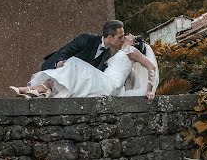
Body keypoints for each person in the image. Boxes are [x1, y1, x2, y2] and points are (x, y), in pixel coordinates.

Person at [9, 34, 158, 102]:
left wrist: (149, 90)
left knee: (74, 63)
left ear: (134, 43)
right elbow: (129, 75)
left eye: (131, 35)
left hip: (110, 85)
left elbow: (151, 67)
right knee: (73, 67)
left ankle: (36, 89)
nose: (127, 35)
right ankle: (38, 90)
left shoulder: (131, 51)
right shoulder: (121, 53)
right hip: (105, 81)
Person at [41, 20, 125, 71]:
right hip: (54, 70)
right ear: (110, 37)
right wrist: (60, 62)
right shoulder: (87, 39)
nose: (122, 39)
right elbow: (65, 50)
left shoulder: (108, 54)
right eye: (120, 37)